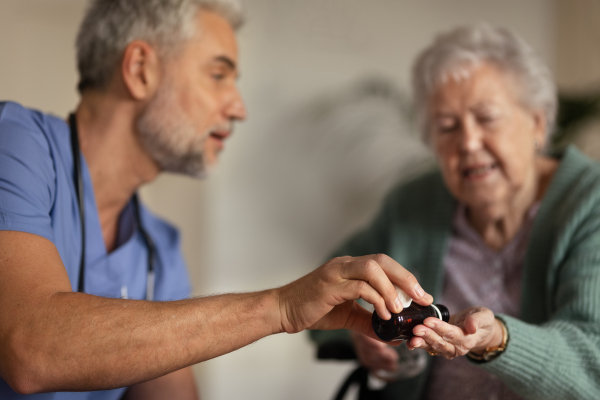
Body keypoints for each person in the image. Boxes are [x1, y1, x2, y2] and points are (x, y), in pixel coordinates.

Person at [0, 1, 435, 399]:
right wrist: (280, 307)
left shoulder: (158, 249)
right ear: (139, 69)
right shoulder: (14, 142)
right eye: (218, 75)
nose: (238, 107)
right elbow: (32, 349)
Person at [311, 24, 600, 400]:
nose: (467, 142)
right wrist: (357, 331)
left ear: (537, 122)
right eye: (447, 127)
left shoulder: (589, 203)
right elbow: (320, 295)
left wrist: (499, 338)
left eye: (487, 118)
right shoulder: (411, 205)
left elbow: (592, 364)